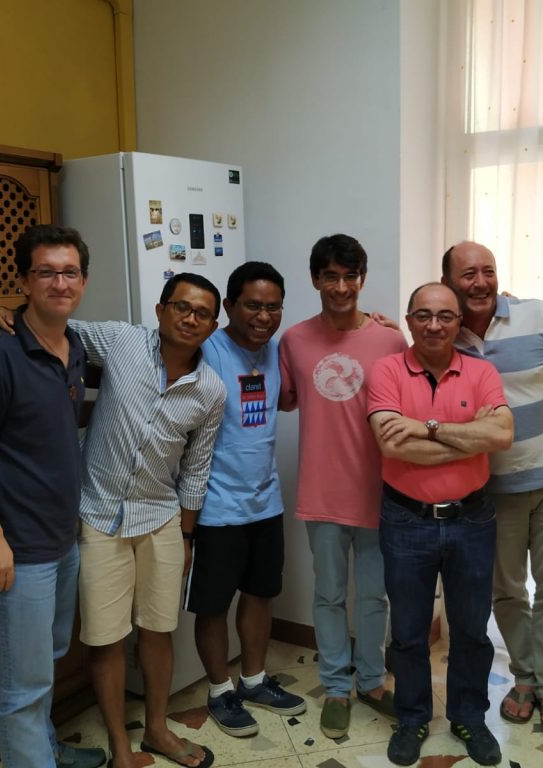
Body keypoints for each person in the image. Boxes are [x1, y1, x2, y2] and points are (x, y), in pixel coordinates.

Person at [0, 272, 225, 768]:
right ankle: (120, 747)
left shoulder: (211, 391)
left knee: (158, 630)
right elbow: (49, 322)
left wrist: (187, 536)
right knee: (107, 637)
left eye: (202, 313)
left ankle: (157, 730)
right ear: (160, 310)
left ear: (213, 326)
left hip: (161, 517)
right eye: (181, 306)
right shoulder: (120, 341)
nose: (190, 318)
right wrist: (5, 312)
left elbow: (197, 471)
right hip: (96, 515)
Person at [0, 225, 107, 768]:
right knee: (22, 681)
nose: (59, 283)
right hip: (15, 547)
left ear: (83, 281)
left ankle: (44, 750)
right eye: (46, 272)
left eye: (69, 272)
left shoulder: (73, 345)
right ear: (23, 281)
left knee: (47, 659)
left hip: (60, 538)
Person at [441, 241, 543, 739]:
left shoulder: (536, 315)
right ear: (449, 283)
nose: (480, 282)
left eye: (488, 271)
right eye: (468, 274)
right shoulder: (445, 333)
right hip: (493, 488)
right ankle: (524, 678)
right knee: (507, 590)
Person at [367, 282, 513, 766]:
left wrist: (426, 427)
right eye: (424, 316)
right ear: (409, 320)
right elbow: (391, 445)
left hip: (472, 518)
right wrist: (470, 438)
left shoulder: (481, 371)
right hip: (405, 518)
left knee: (471, 629)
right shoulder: (387, 371)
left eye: (446, 316)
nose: (434, 325)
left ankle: (469, 717)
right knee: (409, 631)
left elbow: (502, 434)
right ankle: (412, 718)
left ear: (459, 322)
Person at [278, 233, 406, 739]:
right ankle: (335, 686)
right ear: (315, 279)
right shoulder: (294, 340)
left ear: (363, 279)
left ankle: (371, 681)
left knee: (375, 597)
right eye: (330, 276)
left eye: (350, 276)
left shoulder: (390, 340)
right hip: (322, 492)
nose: (340, 287)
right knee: (329, 595)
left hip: (380, 490)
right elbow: (285, 398)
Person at [184, 262, 306, 737]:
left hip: (265, 502)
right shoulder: (205, 349)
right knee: (213, 605)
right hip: (215, 507)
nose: (264, 316)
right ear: (229, 306)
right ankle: (220, 691)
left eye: (273, 307)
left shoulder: (276, 351)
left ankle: (253, 681)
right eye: (253, 306)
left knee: (260, 594)